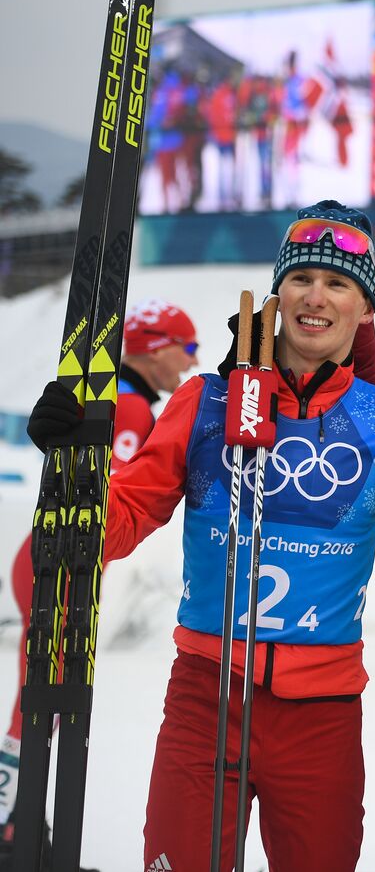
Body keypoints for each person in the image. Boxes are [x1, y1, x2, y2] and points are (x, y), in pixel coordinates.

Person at [24, 200, 375, 870]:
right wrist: (73, 462)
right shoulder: (203, 403)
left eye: (340, 282)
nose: (317, 296)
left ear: (366, 307)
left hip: (322, 716)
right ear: (277, 294)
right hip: (207, 694)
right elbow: (117, 524)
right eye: (302, 278)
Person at [0, 300, 199, 866]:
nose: (191, 362)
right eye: (186, 350)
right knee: (42, 700)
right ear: (156, 349)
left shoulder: (124, 401)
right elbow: (108, 493)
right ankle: (14, 827)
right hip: (62, 562)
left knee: (40, 696)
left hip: (51, 557)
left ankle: (18, 820)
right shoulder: (133, 410)